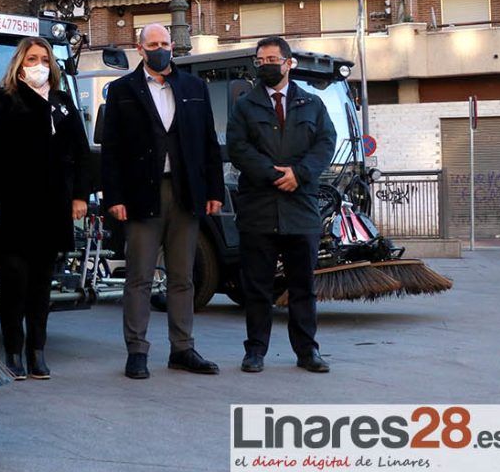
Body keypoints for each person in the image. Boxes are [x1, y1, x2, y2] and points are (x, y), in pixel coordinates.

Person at [100, 23, 225, 380]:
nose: (160, 49)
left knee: (183, 277)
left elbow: (208, 145)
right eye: (152, 44)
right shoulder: (122, 91)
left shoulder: (194, 88)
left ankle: (182, 348)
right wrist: (115, 198)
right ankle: (137, 351)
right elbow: (112, 151)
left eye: (165, 43)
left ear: (173, 46)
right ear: (139, 49)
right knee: (139, 277)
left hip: (185, 194)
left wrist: (213, 191)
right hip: (141, 195)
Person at [0, 37, 90, 381]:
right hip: (11, 208)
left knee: (41, 284)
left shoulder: (62, 102)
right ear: (19, 63)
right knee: (14, 281)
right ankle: (12, 352)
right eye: (32, 58)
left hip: (52, 208)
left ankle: (36, 352)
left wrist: (80, 196)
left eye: (44, 58)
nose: (38, 64)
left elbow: (81, 152)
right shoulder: (2, 100)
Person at [227, 36, 337, 374]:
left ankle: (307, 352)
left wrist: (299, 174)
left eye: (272, 59)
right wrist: (273, 174)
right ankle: (255, 351)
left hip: (300, 208)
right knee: (257, 287)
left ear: (289, 63)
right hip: (259, 208)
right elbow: (238, 147)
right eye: (260, 61)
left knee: (302, 286)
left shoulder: (312, 105)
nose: (265, 65)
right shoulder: (245, 105)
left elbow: (325, 143)